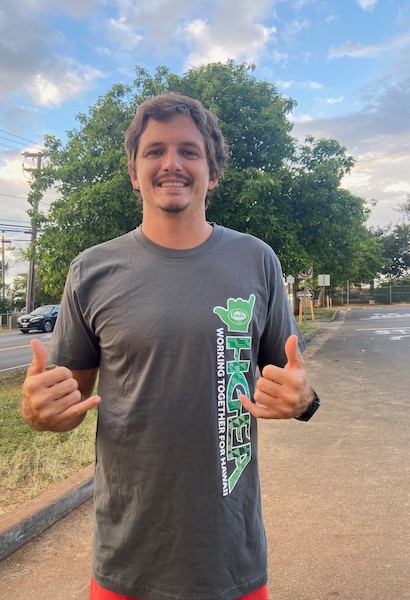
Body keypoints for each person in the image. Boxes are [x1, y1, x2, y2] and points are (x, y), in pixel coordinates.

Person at [21, 94, 321, 600]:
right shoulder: (91, 271)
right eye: (154, 150)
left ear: (213, 170)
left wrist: (305, 401)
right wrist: (38, 410)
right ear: (135, 173)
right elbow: (67, 402)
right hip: (127, 557)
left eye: (189, 150)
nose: (171, 164)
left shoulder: (257, 260)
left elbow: (289, 383)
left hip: (230, 556)